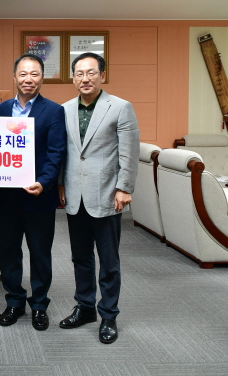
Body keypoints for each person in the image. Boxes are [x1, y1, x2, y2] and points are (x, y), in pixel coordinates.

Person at [58, 52, 139, 344]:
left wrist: (124, 188)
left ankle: (108, 315)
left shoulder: (120, 107)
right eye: (79, 73)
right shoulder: (64, 109)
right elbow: (64, 152)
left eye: (91, 73)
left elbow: (129, 152)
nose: (85, 79)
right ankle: (84, 307)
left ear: (102, 75)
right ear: (73, 78)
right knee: (80, 258)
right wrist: (60, 184)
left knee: (108, 261)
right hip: (75, 195)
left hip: (107, 193)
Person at [0, 53, 66, 331]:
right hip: (7, 196)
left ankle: (39, 305)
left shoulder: (54, 111)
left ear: (42, 78)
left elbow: (56, 153)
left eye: (34, 74)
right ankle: (14, 301)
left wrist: (44, 182)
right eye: (23, 74)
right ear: (14, 77)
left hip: (40, 196)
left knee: (40, 253)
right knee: (8, 252)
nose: (28, 79)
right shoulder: (0, 111)